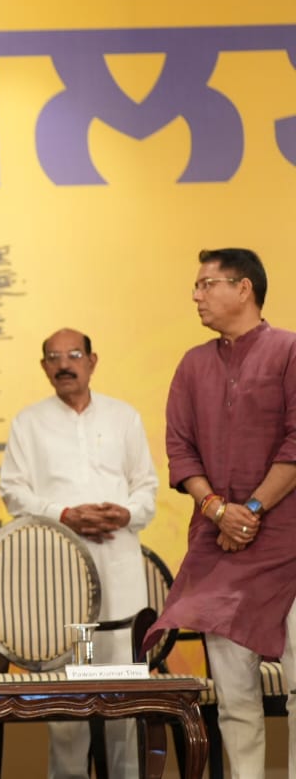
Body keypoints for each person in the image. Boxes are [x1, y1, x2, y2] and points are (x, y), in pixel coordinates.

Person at [145, 248, 296, 777]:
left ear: (244, 288)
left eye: (206, 284)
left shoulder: (289, 351)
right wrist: (217, 510)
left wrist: (250, 510)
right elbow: (180, 448)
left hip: (288, 546)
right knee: (233, 697)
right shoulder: (193, 364)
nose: (196, 296)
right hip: (221, 549)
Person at [0, 328, 158, 779]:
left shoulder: (124, 417)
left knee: (124, 682)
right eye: (53, 357)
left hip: (119, 561)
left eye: (73, 354)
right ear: (43, 367)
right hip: (59, 570)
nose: (64, 364)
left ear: (92, 360)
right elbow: (13, 492)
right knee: (67, 690)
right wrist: (65, 514)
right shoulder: (28, 422)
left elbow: (146, 487)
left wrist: (124, 513)